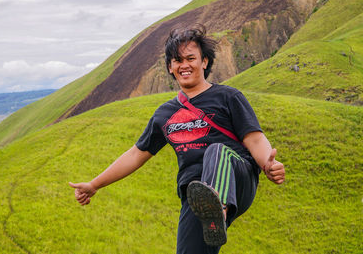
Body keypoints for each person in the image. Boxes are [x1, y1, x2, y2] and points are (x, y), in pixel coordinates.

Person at [69, 25, 285, 253]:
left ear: (204, 62)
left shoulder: (228, 97)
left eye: (190, 58)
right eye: (177, 60)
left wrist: (267, 164)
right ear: (170, 67)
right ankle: (211, 217)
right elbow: (135, 154)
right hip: (196, 196)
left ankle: (218, 210)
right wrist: (94, 185)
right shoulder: (165, 113)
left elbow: (254, 138)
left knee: (217, 151)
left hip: (237, 178)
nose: (184, 65)